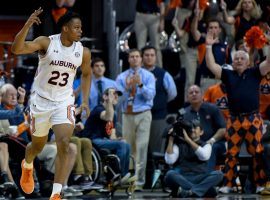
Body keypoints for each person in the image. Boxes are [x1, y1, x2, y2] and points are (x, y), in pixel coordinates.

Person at [11, 8, 91, 200]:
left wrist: (85, 100)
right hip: (41, 101)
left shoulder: (83, 52)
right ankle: (27, 164)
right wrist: (27, 25)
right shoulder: (46, 42)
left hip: (64, 101)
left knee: (64, 143)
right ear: (65, 28)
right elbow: (16, 49)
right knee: (37, 146)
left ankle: (56, 193)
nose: (81, 31)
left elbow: (87, 74)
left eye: (81, 28)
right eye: (77, 28)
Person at [205, 30, 270, 193]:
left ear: (248, 62)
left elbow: (269, 62)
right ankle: (228, 184)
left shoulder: (254, 72)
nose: (239, 60)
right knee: (231, 153)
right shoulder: (228, 74)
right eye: (236, 59)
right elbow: (211, 65)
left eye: (242, 58)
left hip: (253, 118)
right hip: (234, 119)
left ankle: (260, 184)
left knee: (258, 152)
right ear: (232, 62)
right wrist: (207, 46)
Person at [116, 49, 156, 191]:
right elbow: (117, 100)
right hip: (127, 114)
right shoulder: (121, 77)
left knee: (141, 147)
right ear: (128, 59)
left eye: (137, 56)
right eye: (132, 57)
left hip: (143, 113)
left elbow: (150, 95)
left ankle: (139, 182)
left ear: (141, 59)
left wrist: (140, 85)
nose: (134, 59)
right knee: (129, 148)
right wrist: (127, 88)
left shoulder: (148, 76)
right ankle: (129, 181)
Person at [80, 87, 133, 183]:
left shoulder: (114, 114)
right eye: (113, 94)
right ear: (105, 97)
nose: (116, 96)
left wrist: (118, 139)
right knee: (121, 145)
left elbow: (112, 135)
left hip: (103, 140)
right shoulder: (98, 109)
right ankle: (117, 175)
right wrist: (109, 101)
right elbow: (107, 116)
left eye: (117, 95)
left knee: (125, 144)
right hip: (92, 140)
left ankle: (123, 175)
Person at [164, 119, 223, 198]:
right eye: (190, 128)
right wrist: (171, 139)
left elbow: (203, 156)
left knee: (219, 174)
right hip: (183, 177)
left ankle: (187, 192)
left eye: (195, 128)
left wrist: (188, 140)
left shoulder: (206, 145)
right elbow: (169, 161)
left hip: (200, 177)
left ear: (201, 132)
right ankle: (201, 191)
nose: (192, 130)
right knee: (170, 174)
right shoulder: (179, 144)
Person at [141, 45, 177, 154]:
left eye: (152, 55)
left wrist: (159, 102)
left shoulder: (163, 74)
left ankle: (157, 170)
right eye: (146, 55)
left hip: (158, 116)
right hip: (140, 115)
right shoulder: (137, 74)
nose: (149, 57)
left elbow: (172, 94)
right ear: (142, 57)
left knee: (156, 147)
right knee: (141, 146)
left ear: (156, 57)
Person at [183, 85, 226, 171]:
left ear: (202, 95)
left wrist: (211, 140)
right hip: (194, 142)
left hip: (215, 142)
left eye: (196, 92)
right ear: (187, 97)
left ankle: (206, 174)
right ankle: (184, 174)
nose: (194, 94)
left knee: (211, 148)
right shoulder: (184, 112)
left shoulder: (213, 108)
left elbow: (223, 129)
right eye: (191, 93)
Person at [134, 0, 166, 67]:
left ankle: (159, 70)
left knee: (156, 46)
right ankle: (140, 70)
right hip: (140, 16)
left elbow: (162, 4)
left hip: (154, 17)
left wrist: (162, 21)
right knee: (140, 46)